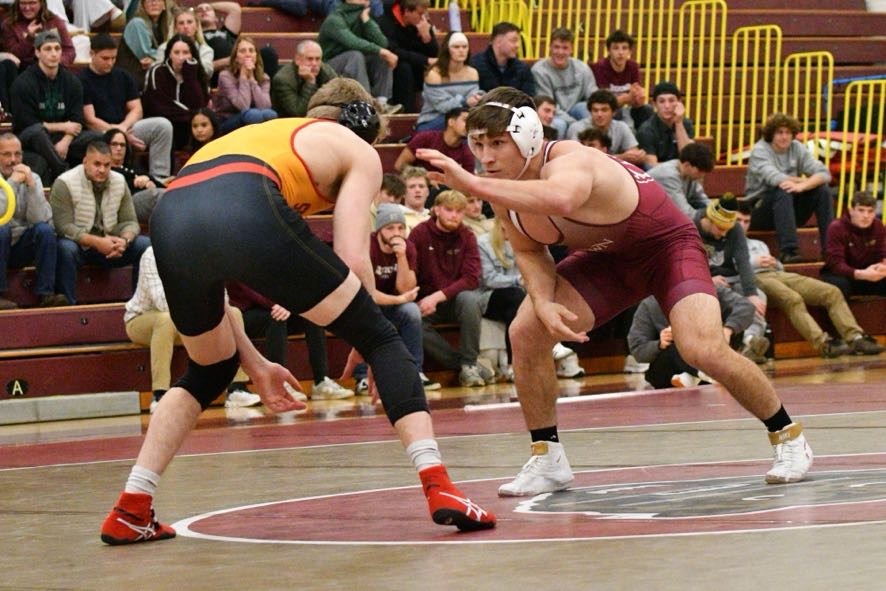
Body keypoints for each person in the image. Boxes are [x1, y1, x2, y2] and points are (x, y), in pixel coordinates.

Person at [98, 78, 495, 546]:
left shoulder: (265, 138)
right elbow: (352, 254)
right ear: (362, 125)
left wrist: (254, 362)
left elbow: (219, 279)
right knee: (385, 337)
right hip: (245, 200)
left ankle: (131, 507)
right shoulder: (356, 150)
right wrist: (363, 334)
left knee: (209, 369)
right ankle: (440, 489)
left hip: (172, 214)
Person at [417, 86, 813, 497]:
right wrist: (543, 301)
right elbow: (529, 250)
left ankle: (788, 436)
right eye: (478, 144)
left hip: (666, 248)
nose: (487, 157)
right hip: (608, 259)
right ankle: (547, 458)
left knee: (702, 349)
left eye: (498, 143)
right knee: (526, 330)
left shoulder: (572, 160)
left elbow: (561, 197)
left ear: (528, 137)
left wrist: (471, 185)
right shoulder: (500, 187)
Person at [735, 203, 883, 357]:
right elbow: (728, 269)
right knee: (793, 298)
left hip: (777, 274)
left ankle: (856, 337)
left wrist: (774, 262)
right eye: (738, 220)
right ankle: (823, 343)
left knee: (831, 291)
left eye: (746, 222)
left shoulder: (759, 244)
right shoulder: (729, 244)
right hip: (753, 277)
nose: (743, 225)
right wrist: (755, 262)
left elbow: (779, 267)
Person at [126, 248, 263, 414]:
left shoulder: (205, 250)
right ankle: (159, 394)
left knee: (233, 313)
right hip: (143, 318)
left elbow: (223, 299)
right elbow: (164, 303)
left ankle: (237, 389)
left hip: (188, 318)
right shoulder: (153, 254)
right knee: (165, 320)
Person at [408, 189, 493, 388]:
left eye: (459, 211)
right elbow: (411, 272)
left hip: (454, 300)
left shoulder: (467, 236)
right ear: (436, 210)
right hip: (425, 300)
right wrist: (425, 299)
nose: (454, 215)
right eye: (449, 210)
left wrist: (438, 296)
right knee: (411, 319)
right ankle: (466, 366)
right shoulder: (419, 233)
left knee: (471, 299)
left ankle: (469, 364)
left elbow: (471, 279)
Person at [50, 140, 151, 305]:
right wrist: (97, 242)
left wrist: (124, 240)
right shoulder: (65, 182)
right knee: (64, 248)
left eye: (107, 165)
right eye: (97, 164)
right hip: (79, 245)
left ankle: (140, 305)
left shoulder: (119, 181)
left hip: (110, 244)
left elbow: (130, 222)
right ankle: (68, 306)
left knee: (145, 246)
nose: (102, 170)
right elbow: (63, 226)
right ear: (85, 162)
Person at [226, 281, 354, 400]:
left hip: (277, 306)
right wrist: (278, 304)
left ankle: (321, 381)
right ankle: (279, 384)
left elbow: (290, 284)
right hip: (245, 314)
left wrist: (291, 304)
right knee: (276, 317)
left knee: (312, 315)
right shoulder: (239, 260)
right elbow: (250, 292)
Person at [10, 30, 102, 184]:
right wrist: (63, 126)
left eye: (57, 48)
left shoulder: (72, 82)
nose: (53, 54)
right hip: (30, 138)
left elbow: (77, 119)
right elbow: (27, 123)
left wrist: (65, 141)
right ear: (37, 52)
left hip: (63, 137)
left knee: (99, 137)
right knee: (38, 132)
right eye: (47, 49)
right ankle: (63, 172)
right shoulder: (23, 83)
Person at [364, 202, 439, 392]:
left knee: (412, 311)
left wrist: (401, 257)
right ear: (379, 230)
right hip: (367, 303)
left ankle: (415, 372)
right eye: (390, 228)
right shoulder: (367, 246)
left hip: (394, 304)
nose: (396, 233)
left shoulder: (408, 248)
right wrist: (400, 299)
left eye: (400, 228)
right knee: (362, 313)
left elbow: (406, 287)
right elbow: (367, 294)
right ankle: (361, 377)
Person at [80, 33, 174, 181]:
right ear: (92, 54)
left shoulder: (122, 76)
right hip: (101, 132)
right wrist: (118, 133)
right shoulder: (82, 80)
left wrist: (123, 128)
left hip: (126, 127)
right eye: (105, 58)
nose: (110, 63)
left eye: (113, 58)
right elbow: (90, 119)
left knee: (163, 125)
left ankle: (160, 177)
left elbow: (137, 109)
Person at [745, 112, 834, 264]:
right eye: (779, 132)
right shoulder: (760, 150)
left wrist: (804, 185)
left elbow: (825, 174)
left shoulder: (797, 148)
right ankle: (789, 251)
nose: (784, 137)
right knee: (784, 189)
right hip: (758, 209)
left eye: (788, 132)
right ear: (770, 134)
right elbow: (776, 179)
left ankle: (830, 250)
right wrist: (804, 182)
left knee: (823, 190)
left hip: (788, 210)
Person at [628, 285, 754, 389]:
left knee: (734, 327)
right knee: (677, 345)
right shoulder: (649, 305)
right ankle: (710, 374)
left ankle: (693, 377)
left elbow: (746, 307)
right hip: (672, 366)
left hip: (711, 352)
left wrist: (727, 330)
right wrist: (659, 344)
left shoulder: (710, 290)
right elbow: (638, 350)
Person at [695, 196, 771, 364]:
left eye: (727, 229)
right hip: (703, 281)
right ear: (709, 220)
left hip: (731, 278)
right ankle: (745, 340)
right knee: (735, 301)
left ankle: (751, 344)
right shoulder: (691, 226)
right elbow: (686, 263)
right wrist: (707, 279)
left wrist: (751, 293)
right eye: (721, 228)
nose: (724, 233)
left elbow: (743, 261)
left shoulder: (734, 229)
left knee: (758, 298)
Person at [0, 132, 67, 309]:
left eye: (17, 154)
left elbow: (42, 219)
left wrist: (31, 187)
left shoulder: (33, 178)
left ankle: (46, 294)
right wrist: (12, 184)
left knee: (45, 231)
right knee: (1, 230)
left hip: (21, 246)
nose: (13, 160)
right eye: (6, 154)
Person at [317, 0, 397, 111]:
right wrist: (381, 51)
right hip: (329, 67)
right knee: (356, 55)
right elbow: (352, 42)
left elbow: (382, 43)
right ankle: (367, 103)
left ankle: (382, 102)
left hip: (354, 64)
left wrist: (367, 21)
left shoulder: (363, 16)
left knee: (380, 56)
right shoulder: (334, 19)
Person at [142, 34, 210, 149]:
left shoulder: (197, 73)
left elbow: (199, 105)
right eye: (176, 52)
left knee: (203, 126)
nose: (181, 57)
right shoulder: (158, 72)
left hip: (190, 126)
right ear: (169, 54)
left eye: (185, 52)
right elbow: (159, 107)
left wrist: (190, 76)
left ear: (192, 54)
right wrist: (191, 115)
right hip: (164, 125)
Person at [530, 28, 597, 139]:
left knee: (584, 107)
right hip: (554, 114)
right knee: (560, 124)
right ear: (550, 47)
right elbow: (547, 105)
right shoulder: (539, 70)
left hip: (576, 111)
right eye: (556, 47)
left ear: (572, 49)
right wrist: (575, 124)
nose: (560, 52)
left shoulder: (582, 68)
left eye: (565, 48)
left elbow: (594, 98)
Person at [376, 0, 438, 114]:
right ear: (407, 11)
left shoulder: (421, 23)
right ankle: (407, 113)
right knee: (404, 68)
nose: (423, 17)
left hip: (416, 65)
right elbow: (394, 51)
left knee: (434, 69)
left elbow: (434, 54)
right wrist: (425, 60)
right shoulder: (385, 22)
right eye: (419, 14)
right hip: (392, 66)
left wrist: (427, 38)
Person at [821, 190, 886, 299]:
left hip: (869, 274)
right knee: (839, 286)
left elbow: (882, 253)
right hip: (842, 275)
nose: (866, 216)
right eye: (861, 210)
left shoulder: (878, 226)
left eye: (870, 211)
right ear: (851, 210)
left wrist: (883, 267)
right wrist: (861, 274)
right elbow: (836, 265)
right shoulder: (836, 228)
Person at [195, 1, 279, 82]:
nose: (204, 10)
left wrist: (207, 5)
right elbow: (202, 68)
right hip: (218, 75)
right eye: (199, 11)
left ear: (216, 18)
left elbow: (235, 8)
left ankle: (267, 92)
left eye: (208, 9)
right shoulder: (196, 38)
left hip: (241, 65)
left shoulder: (227, 31)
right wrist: (228, 61)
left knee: (268, 53)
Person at [589, 29, 653, 132]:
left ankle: (645, 143)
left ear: (630, 51)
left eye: (624, 48)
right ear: (609, 51)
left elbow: (636, 96)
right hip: (606, 111)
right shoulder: (600, 67)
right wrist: (627, 98)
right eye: (616, 48)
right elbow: (604, 102)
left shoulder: (633, 67)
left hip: (626, 108)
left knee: (647, 110)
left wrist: (638, 98)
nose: (620, 53)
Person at [415, 32, 481, 132]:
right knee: (461, 123)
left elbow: (472, 99)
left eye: (464, 47)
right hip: (432, 121)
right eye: (456, 47)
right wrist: (465, 102)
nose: (461, 50)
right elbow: (442, 107)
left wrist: (478, 98)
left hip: (462, 120)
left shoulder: (472, 73)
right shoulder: (434, 75)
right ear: (447, 50)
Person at [214, 36, 277, 134]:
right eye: (243, 51)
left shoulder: (264, 78)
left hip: (254, 117)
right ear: (235, 58)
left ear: (256, 56)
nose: (248, 54)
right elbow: (243, 106)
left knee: (270, 114)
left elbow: (265, 106)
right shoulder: (225, 76)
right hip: (227, 120)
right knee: (253, 114)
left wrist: (251, 79)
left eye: (251, 51)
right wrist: (243, 76)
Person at [104, 128, 166, 225]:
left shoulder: (132, 166)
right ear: (106, 146)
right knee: (158, 195)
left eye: (122, 145)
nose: (119, 148)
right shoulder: (104, 169)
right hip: (125, 205)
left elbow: (158, 184)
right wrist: (134, 183)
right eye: (114, 144)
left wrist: (150, 181)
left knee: (168, 193)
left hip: (146, 198)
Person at [566, 89, 645, 165]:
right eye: (595, 110)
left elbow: (634, 152)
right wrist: (621, 157)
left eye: (604, 110)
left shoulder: (621, 127)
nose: (599, 114)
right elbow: (576, 159)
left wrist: (638, 156)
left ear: (614, 112)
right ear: (590, 112)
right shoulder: (577, 128)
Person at [116, 0, 176, 90]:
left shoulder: (162, 27)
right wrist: (170, 56)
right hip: (130, 79)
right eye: (149, 0)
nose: (153, 3)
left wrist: (158, 59)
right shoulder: (137, 23)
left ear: (164, 6)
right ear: (143, 6)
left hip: (147, 77)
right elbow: (145, 54)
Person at [394, 106, 472, 174]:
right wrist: (426, 178)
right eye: (465, 120)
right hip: (420, 185)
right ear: (451, 122)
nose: (469, 125)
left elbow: (468, 180)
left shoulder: (466, 152)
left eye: (470, 122)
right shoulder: (425, 138)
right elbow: (400, 165)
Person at [0, 0, 75, 70]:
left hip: (53, 70)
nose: (27, 7)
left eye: (32, 3)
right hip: (22, 71)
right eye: (23, 3)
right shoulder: (10, 24)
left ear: (41, 3)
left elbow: (69, 51)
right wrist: (29, 38)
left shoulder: (54, 21)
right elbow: (12, 56)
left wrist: (54, 62)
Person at [271, 40, 338, 118]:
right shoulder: (283, 79)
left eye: (318, 59)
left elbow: (338, 97)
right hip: (289, 122)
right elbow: (299, 112)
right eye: (310, 59)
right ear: (297, 60)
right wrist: (310, 82)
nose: (314, 63)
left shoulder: (326, 71)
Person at [636, 81, 694, 168]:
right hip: (658, 177)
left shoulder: (686, 124)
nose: (667, 106)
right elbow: (652, 167)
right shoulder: (646, 130)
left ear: (679, 102)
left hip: (683, 174)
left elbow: (688, 157)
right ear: (654, 104)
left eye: (671, 100)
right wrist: (681, 167)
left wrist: (678, 123)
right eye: (662, 101)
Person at [470, 21, 535, 98]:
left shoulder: (523, 69)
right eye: (513, 41)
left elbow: (528, 98)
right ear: (498, 42)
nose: (517, 45)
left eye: (518, 41)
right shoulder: (476, 64)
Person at [648, 142, 714, 217]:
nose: (702, 176)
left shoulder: (689, 174)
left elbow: (701, 199)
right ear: (687, 165)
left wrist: (715, 211)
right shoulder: (668, 176)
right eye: (699, 172)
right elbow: (685, 214)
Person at [156, 7, 215, 81]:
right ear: (175, 28)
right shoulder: (164, 48)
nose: (186, 26)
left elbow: (207, 73)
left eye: (189, 22)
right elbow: (156, 72)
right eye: (181, 23)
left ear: (196, 26)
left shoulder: (205, 50)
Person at [400, 165, 431, 232]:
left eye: (421, 186)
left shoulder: (433, 221)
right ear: (403, 192)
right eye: (412, 186)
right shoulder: (396, 218)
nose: (417, 190)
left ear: (427, 192)